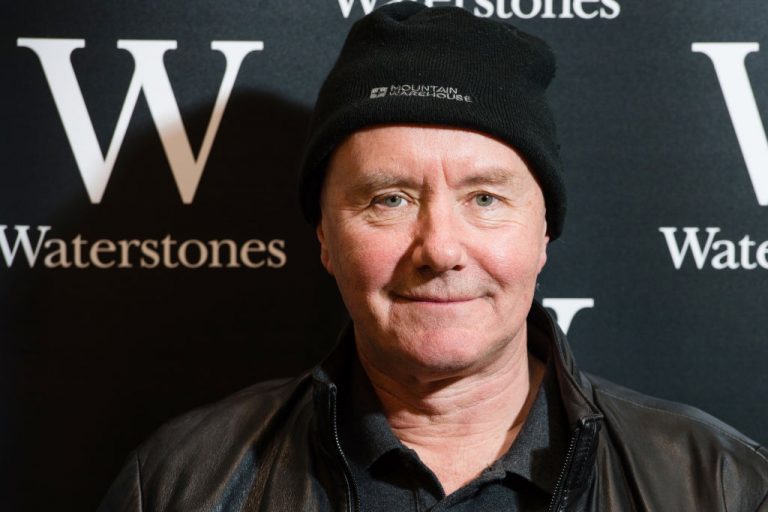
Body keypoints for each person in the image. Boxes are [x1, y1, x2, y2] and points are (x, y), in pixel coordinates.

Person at [98, 4, 768, 511]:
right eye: (389, 199)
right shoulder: (181, 484)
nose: (440, 249)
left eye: (484, 198)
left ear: (543, 233)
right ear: (325, 238)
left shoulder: (718, 485)